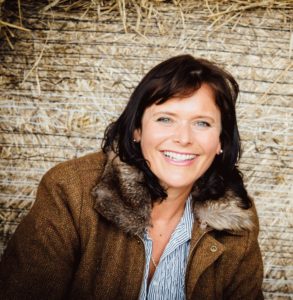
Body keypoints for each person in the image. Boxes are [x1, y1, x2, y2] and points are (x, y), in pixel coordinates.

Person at [0, 55, 263, 299]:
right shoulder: (70, 191)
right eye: (165, 119)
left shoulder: (236, 223)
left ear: (221, 141)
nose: (183, 138)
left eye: (202, 123)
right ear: (137, 129)